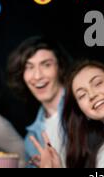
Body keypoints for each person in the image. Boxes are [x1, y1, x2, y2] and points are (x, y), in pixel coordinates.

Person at [30, 60, 104, 168]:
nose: (92, 95)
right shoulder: (97, 152)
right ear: (83, 111)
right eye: (82, 95)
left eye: (98, 83)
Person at [7, 36, 71, 167]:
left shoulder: (83, 109)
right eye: (29, 67)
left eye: (46, 64)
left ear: (60, 67)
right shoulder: (31, 140)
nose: (37, 76)